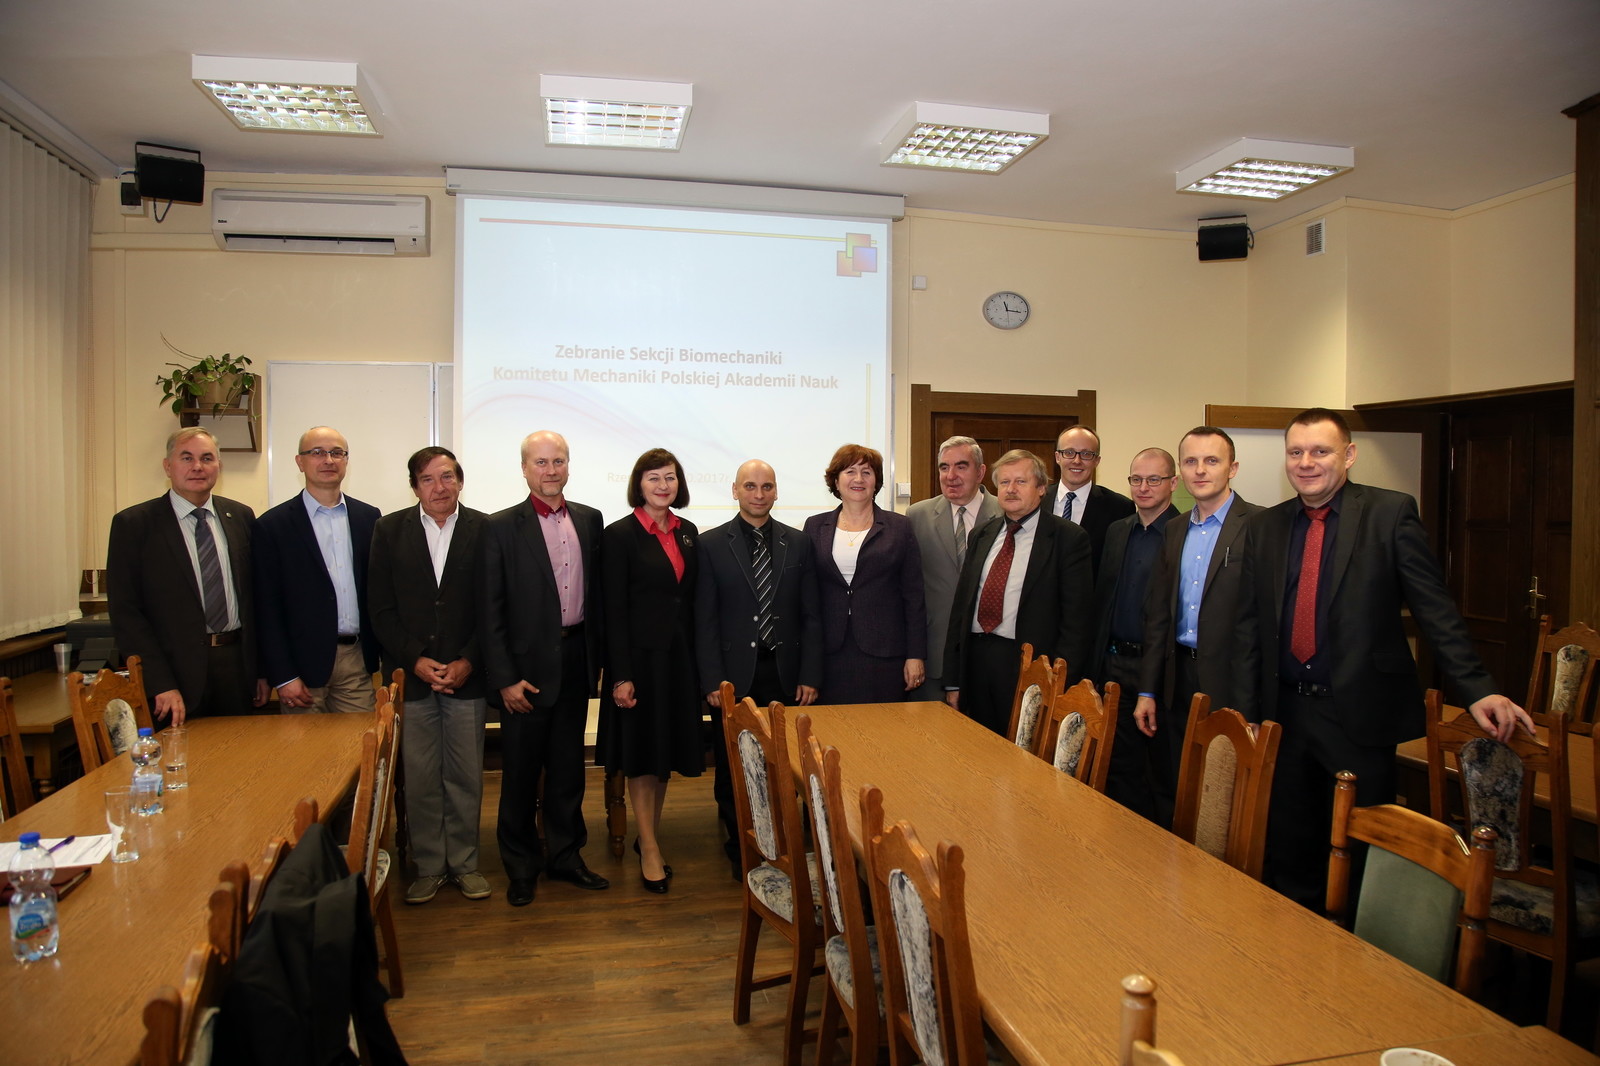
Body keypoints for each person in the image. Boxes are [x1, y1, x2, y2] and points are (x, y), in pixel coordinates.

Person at [1235, 408, 1534, 908]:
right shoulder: (1266, 526)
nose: (1306, 462)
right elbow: (1249, 626)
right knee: (1290, 848)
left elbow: (1434, 608)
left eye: (1321, 451)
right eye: (1296, 452)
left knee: (1362, 851)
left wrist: (1478, 689)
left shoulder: (1389, 513)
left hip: (1357, 714)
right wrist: (1247, 710)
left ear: (1349, 455)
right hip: (1284, 713)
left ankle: (1358, 947)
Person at [481, 431, 609, 906]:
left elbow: (599, 598)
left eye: (558, 461)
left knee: (568, 771)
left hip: (575, 660)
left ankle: (566, 857)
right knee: (518, 775)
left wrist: (599, 663)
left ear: (568, 465)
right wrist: (505, 678)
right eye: (540, 462)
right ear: (524, 469)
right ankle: (520, 867)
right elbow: (489, 612)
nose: (550, 470)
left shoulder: (590, 520)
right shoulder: (499, 527)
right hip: (525, 673)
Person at [368, 447, 492, 904]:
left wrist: (468, 660)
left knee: (465, 776)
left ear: (460, 480)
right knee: (419, 777)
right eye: (428, 479)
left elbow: (494, 605)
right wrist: (415, 659)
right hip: (413, 676)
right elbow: (380, 607)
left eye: (447, 477)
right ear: (414, 486)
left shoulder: (486, 529)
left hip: (467, 676)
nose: (439, 487)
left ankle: (464, 863)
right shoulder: (388, 530)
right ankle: (429, 866)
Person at [696, 459, 822, 876]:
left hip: (786, 674)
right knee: (736, 768)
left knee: (784, 766)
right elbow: (704, 619)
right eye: (749, 486)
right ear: (735, 490)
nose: (758, 494)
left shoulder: (798, 543)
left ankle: (783, 844)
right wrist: (713, 679)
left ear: (776, 491)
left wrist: (810, 674)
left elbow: (811, 615)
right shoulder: (711, 544)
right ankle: (742, 849)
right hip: (733, 678)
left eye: (766, 486)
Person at [1133, 427, 1260, 826]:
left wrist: (1254, 708)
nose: (1200, 470)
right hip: (1176, 681)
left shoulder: (1261, 525)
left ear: (1232, 468)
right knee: (1175, 787)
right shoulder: (1175, 529)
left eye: (1211, 460)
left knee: (1223, 802)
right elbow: (1159, 617)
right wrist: (1148, 690)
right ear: (1181, 472)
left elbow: (1263, 626)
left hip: (1231, 683)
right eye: (1191, 461)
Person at [107, 427, 267, 723]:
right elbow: (126, 613)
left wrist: (260, 671)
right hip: (173, 674)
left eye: (207, 458)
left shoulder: (240, 516)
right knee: (180, 752)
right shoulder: (134, 525)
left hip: (235, 667)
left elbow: (255, 599)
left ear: (218, 466)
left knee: (241, 750)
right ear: (168, 466)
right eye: (186, 458)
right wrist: (159, 682)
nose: (197, 467)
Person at [602, 448, 702, 894]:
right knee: (642, 756)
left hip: (677, 661)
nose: (663, 486)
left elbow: (689, 600)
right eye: (654, 478)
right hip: (639, 663)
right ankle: (649, 849)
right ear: (638, 484)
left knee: (662, 756)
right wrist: (621, 675)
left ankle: (649, 838)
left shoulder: (688, 533)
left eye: (670, 477)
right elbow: (613, 611)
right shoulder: (620, 535)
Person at [943, 449, 1093, 735]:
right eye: (1004, 482)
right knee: (975, 746)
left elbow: (1077, 622)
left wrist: (1059, 682)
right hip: (976, 662)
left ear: (1041, 488)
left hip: (1030, 666)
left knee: (1023, 750)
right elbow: (960, 609)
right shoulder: (982, 534)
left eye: (1021, 482)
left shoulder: (1068, 539)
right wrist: (953, 679)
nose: (1011, 489)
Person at [254, 427, 380, 714]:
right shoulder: (272, 526)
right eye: (317, 453)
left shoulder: (369, 518)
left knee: (362, 741)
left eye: (337, 453)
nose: (328, 460)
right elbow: (266, 607)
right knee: (306, 745)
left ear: (346, 461)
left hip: (356, 660)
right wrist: (284, 675)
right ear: (300, 462)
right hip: (300, 668)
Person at [1089, 447, 1179, 820]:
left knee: (1158, 773)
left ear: (1173, 483)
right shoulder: (1117, 530)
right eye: (1136, 479)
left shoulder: (1182, 532)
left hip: (1158, 670)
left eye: (1154, 479)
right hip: (1113, 664)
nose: (1143, 487)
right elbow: (1103, 602)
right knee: (1116, 766)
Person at [803, 444, 928, 703]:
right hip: (829, 651)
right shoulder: (814, 526)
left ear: (876, 481)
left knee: (883, 724)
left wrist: (915, 655)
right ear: (836, 481)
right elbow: (807, 596)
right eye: (850, 471)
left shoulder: (899, 527)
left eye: (867, 472)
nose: (858, 479)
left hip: (885, 653)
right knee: (833, 724)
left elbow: (914, 596)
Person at [907, 436, 1002, 702]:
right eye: (944, 467)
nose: (951, 476)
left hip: (989, 657)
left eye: (961, 466)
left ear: (980, 472)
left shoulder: (1005, 513)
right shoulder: (916, 516)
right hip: (933, 656)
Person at [1041, 425, 1134, 578]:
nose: (1077, 461)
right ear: (1058, 457)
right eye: (1069, 452)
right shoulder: (1037, 501)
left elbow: (1118, 568)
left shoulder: (1120, 508)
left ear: (1097, 461)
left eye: (1086, 454)